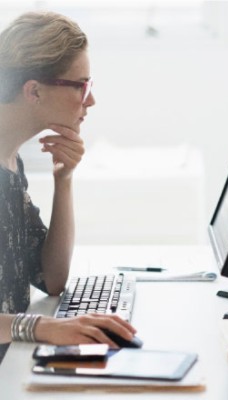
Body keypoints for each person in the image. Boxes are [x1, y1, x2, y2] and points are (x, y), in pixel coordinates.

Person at [0, 10, 136, 363]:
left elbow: (51, 279)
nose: (90, 100)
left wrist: (65, 180)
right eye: (82, 85)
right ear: (33, 91)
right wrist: (41, 327)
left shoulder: (10, 161)